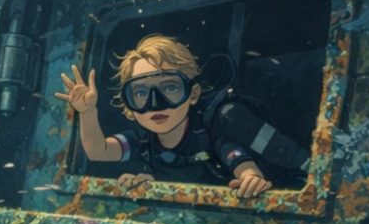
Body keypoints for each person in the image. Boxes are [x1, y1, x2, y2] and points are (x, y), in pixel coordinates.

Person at [58, 33, 276, 198]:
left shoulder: (208, 134)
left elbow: (241, 164)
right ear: (129, 105)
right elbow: (99, 151)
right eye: (141, 93)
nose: (156, 104)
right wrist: (87, 112)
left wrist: (251, 179)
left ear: (193, 94)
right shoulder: (142, 140)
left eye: (170, 88)